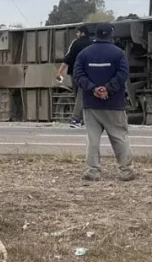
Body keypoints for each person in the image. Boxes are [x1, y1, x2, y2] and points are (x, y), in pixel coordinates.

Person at [73, 23, 135, 182]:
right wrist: (108, 89)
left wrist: (93, 88)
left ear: (96, 34)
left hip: (91, 104)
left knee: (92, 140)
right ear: (111, 35)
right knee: (119, 137)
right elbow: (122, 75)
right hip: (114, 104)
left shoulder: (84, 54)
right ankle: (126, 170)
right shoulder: (119, 54)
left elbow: (78, 75)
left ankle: (92, 171)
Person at [56, 25, 94, 128]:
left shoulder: (75, 43)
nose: (77, 34)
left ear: (82, 33)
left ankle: (75, 119)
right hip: (91, 74)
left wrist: (59, 71)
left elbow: (68, 58)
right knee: (86, 96)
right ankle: (84, 120)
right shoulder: (92, 44)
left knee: (79, 96)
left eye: (78, 32)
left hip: (77, 74)